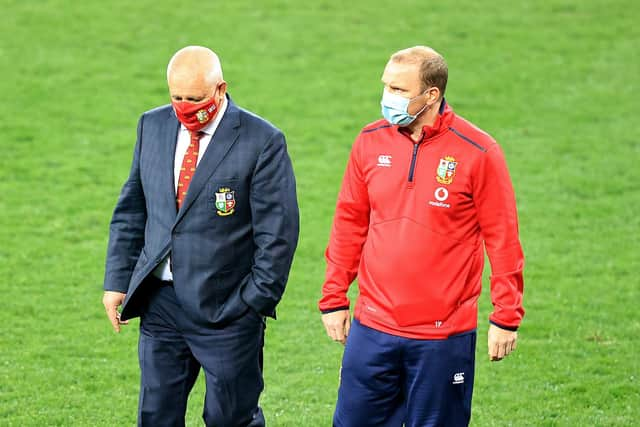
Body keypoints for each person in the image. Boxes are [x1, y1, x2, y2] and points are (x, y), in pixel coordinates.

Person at [319, 46, 525, 426]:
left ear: (431, 95)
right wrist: (334, 298)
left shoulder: (478, 152)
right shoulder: (370, 141)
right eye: (386, 87)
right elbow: (349, 222)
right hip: (372, 327)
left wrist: (506, 316)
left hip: (442, 336)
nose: (387, 97)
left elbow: (503, 238)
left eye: (398, 90)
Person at [102, 46, 299, 427]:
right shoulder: (152, 125)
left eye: (195, 99)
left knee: (231, 419)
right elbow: (132, 209)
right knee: (156, 416)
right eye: (176, 97)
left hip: (227, 310)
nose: (184, 107)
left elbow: (278, 234)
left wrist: (252, 302)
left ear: (221, 89)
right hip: (161, 302)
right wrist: (117, 281)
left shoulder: (261, 141)